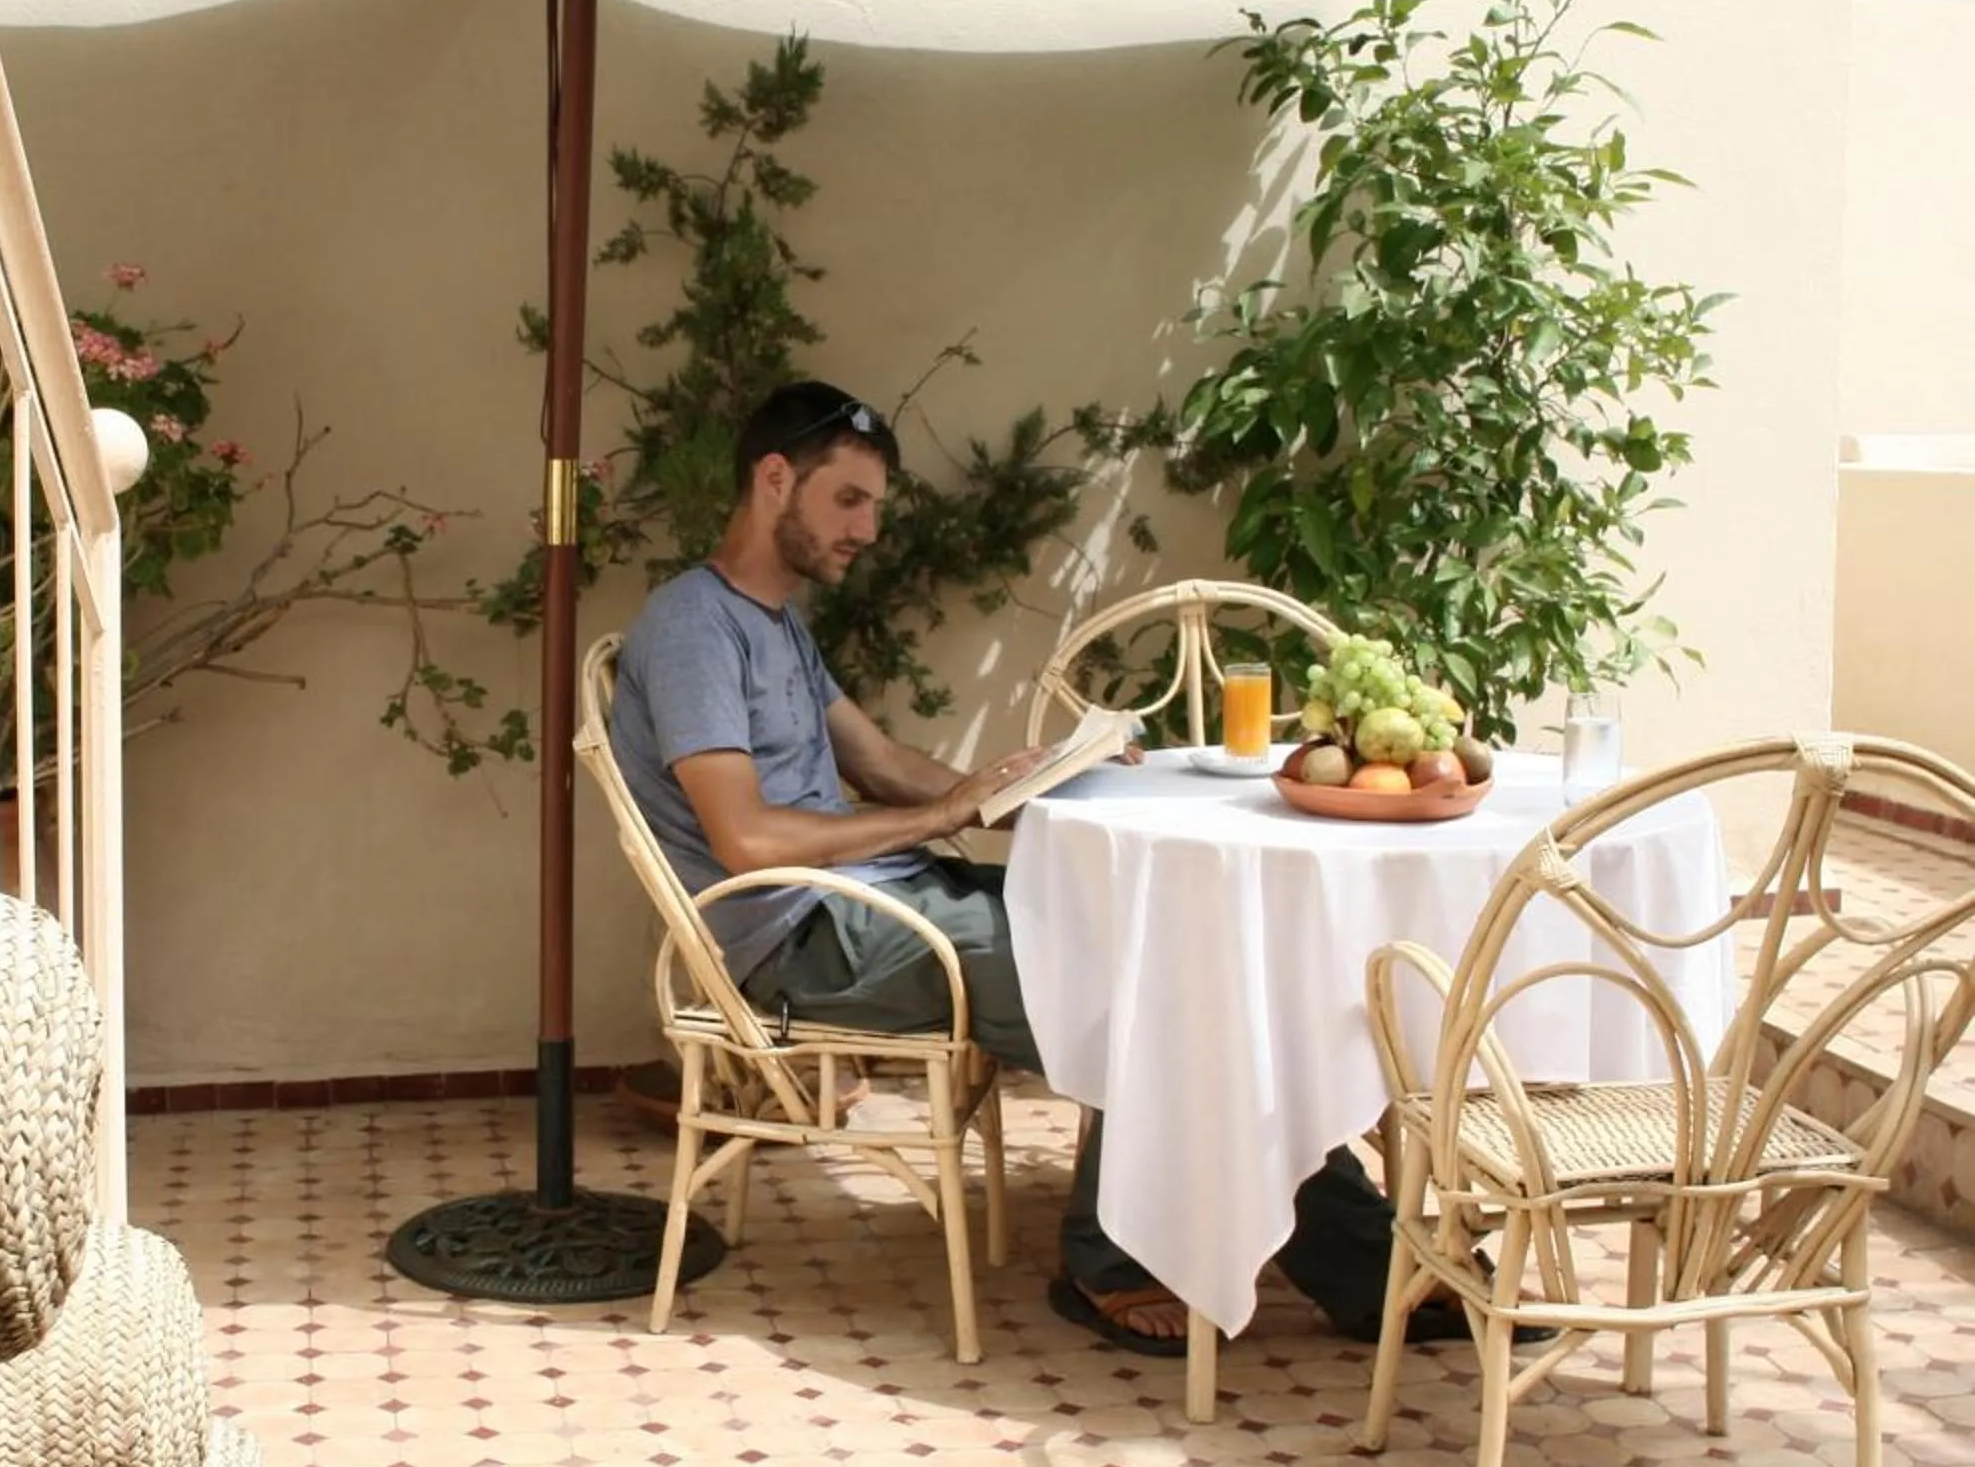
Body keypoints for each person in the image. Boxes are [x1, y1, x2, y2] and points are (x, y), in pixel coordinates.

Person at [606, 378, 1485, 1356]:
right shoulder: (694, 628)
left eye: (874, 507)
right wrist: (945, 815)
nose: (867, 529)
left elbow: (881, 762)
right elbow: (749, 840)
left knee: (1169, 953)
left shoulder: (775, 622)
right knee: (1164, 989)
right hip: (805, 941)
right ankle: (1150, 1264)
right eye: (848, 500)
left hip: (877, 907)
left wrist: (1023, 787)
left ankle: (1343, 1264)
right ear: (774, 480)